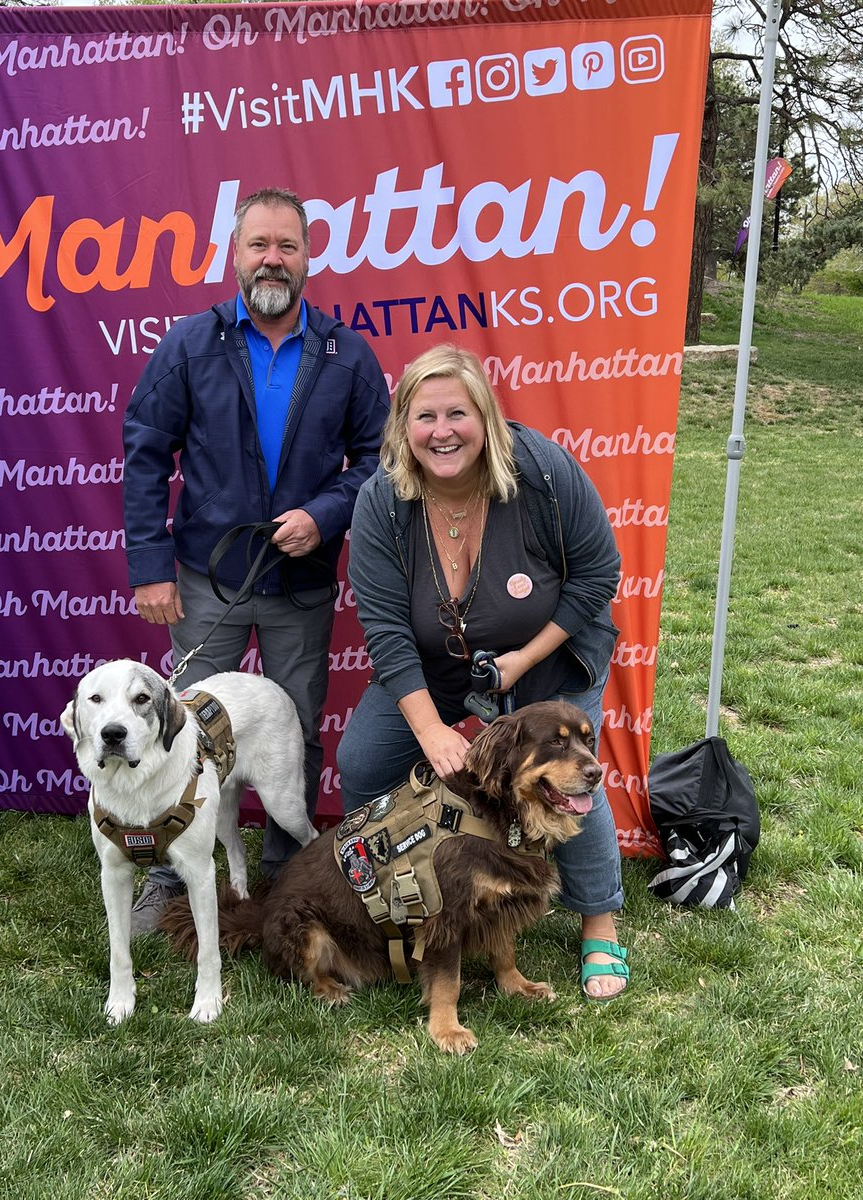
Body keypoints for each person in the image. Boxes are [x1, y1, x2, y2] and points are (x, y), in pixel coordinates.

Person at [122, 186, 389, 932]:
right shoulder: (190, 344)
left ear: (309, 257)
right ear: (234, 255)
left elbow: (381, 457)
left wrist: (326, 513)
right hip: (208, 579)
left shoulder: (346, 354)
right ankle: (174, 877)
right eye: (258, 244)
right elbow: (145, 451)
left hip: (300, 583)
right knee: (183, 729)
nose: (273, 258)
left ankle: (285, 872)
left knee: (294, 726)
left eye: (288, 246)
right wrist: (149, 564)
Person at [336, 344, 628, 998]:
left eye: (458, 414)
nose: (442, 432)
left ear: (487, 419)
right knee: (361, 760)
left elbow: (597, 576)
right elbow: (384, 629)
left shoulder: (544, 472)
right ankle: (387, 900)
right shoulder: (381, 501)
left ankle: (600, 922)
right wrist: (434, 731)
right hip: (438, 660)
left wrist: (523, 661)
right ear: (403, 429)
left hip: (548, 652)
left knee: (574, 774)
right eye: (425, 416)